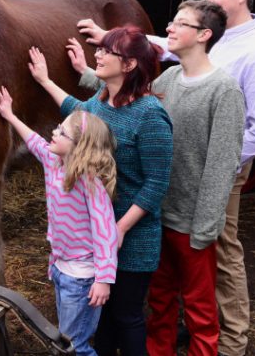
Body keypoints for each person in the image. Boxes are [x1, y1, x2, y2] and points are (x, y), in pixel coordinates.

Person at [76, 0, 255, 356]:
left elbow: (254, 136)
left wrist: (208, 207)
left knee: (214, 271)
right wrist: (92, 72)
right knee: (162, 294)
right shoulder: (176, 74)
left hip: (206, 193)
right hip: (167, 201)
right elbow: (140, 91)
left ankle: (231, 343)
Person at [27, 29, 174, 356]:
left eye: (108, 51)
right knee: (103, 316)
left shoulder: (150, 116)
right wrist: (44, 80)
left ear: (129, 64)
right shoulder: (102, 101)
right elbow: (77, 112)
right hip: (98, 233)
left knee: (126, 315)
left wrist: (119, 229)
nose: (98, 55)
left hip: (132, 235)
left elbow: (157, 184)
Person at [0, 85, 118, 355]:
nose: (54, 132)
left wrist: (104, 278)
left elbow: (106, 232)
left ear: (79, 147)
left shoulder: (90, 183)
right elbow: (34, 141)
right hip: (61, 268)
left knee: (74, 346)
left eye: (62, 132)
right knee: (67, 340)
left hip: (83, 278)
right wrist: (10, 115)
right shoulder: (53, 162)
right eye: (58, 128)